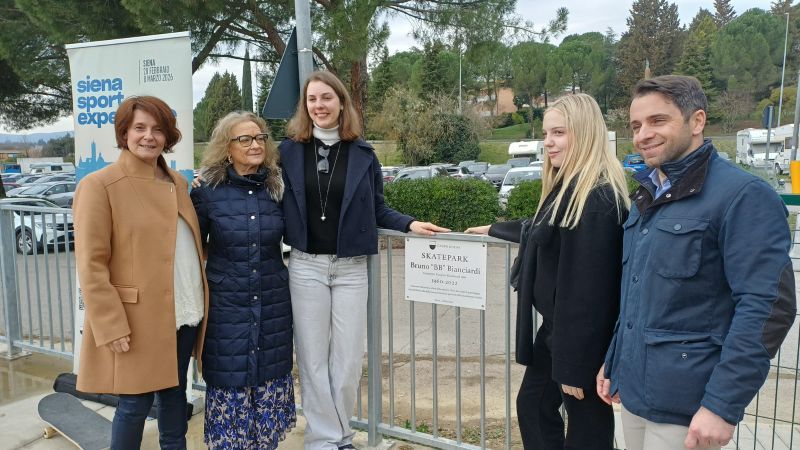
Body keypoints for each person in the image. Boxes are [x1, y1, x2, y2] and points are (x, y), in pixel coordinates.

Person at [596, 75, 797, 450]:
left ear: (697, 121)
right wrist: (615, 358)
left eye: (658, 121)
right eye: (636, 125)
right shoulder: (649, 193)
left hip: (688, 408)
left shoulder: (742, 196)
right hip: (636, 393)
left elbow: (768, 307)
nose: (642, 135)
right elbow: (639, 291)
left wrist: (721, 405)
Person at [280, 70, 448, 450]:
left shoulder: (363, 153)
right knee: (312, 360)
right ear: (305, 107)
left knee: (348, 361)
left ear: (341, 102)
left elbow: (377, 208)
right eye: (312, 100)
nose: (319, 105)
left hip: (351, 269)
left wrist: (409, 224)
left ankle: (340, 435)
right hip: (306, 266)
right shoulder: (287, 151)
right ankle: (324, 441)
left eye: (326, 98)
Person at [466, 93, 629, 449]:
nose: (547, 142)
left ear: (584, 134)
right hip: (557, 331)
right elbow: (545, 228)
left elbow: (590, 291)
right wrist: (496, 228)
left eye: (559, 132)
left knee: (587, 429)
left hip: (579, 339)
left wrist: (574, 362)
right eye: (546, 133)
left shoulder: (596, 199)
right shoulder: (571, 187)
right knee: (534, 405)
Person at [73, 95, 207, 449]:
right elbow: (91, 263)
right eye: (140, 128)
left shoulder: (178, 183)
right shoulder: (100, 185)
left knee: (176, 394)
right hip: (136, 318)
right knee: (135, 404)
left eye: (158, 129)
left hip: (184, 310)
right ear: (124, 133)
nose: (149, 137)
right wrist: (110, 323)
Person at [191, 111, 296, 449]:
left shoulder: (278, 187)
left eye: (260, 138)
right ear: (227, 147)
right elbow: (195, 246)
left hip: (273, 303)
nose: (255, 144)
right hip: (227, 307)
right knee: (231, 385)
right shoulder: (207, 192)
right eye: (245, 139)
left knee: (267, 386)